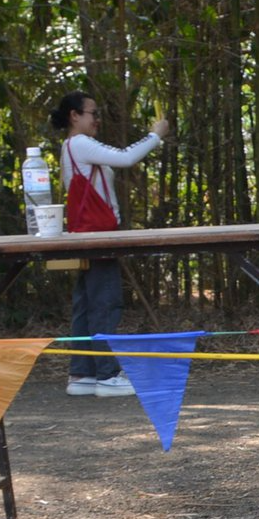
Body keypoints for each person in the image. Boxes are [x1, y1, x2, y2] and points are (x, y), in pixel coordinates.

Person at [48, 93, 168, 397]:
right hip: (97, 234)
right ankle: (106, 374)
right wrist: (156, 135)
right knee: (105, 303)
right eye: (93, 113)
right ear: (75, 116)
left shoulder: (69, 147)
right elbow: (126, 157)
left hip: (85, 233)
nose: (97, 119)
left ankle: (83, 372)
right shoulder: (80, 143)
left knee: (85, 305)